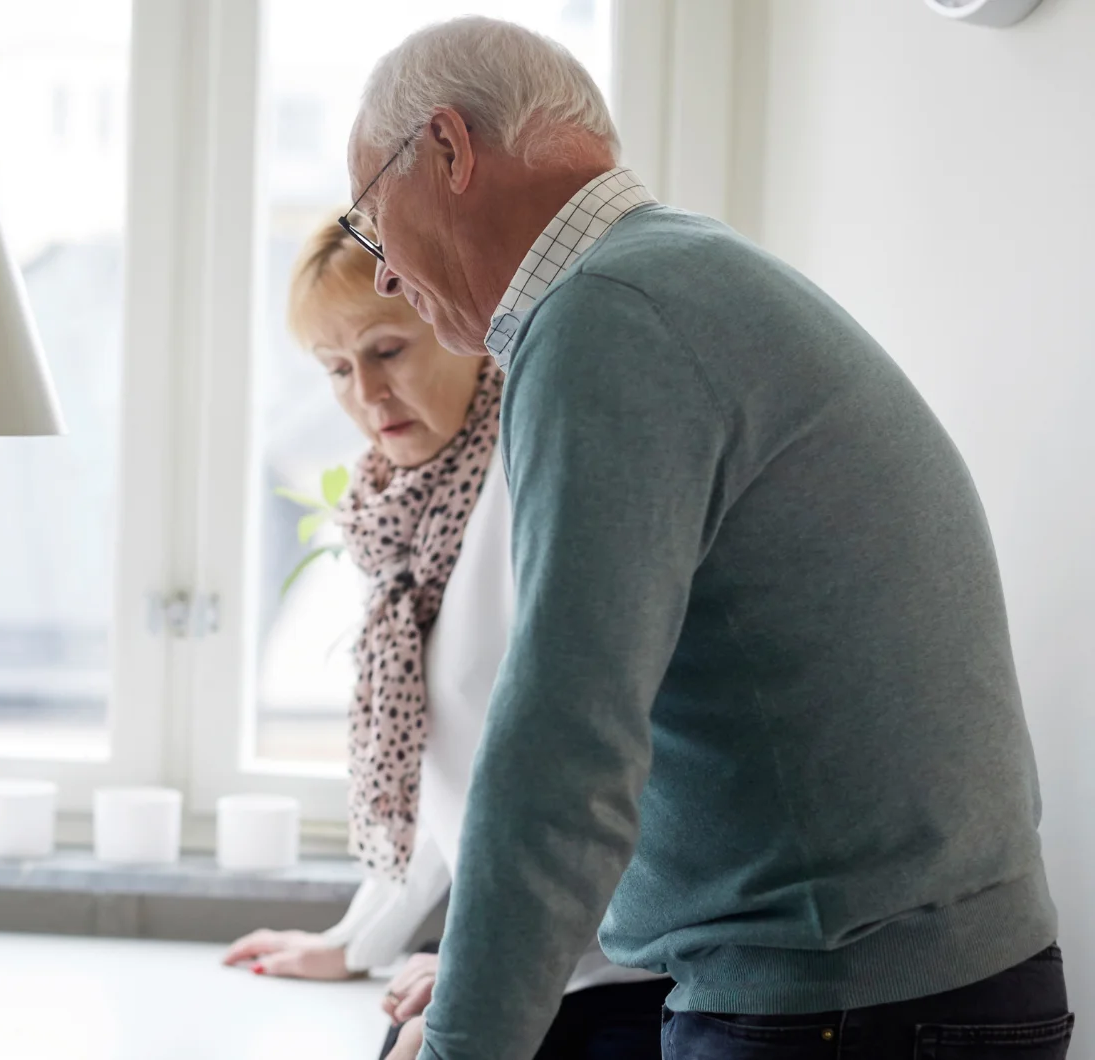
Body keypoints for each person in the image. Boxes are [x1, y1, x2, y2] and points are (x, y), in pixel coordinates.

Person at [340, 16, 1069, 1060]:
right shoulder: (677, 277)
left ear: (450, 150)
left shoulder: (606, 317)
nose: (380, 273)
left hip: (841, 1006)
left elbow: (565, 747)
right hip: (910, 987)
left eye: (371, 221)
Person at [222, 214, 668, 1060]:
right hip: (534, 958)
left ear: (464, 330)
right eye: (336, 369)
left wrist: (479, 979)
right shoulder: (415, 513)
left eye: (387, 351)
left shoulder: (534, 482)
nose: (365, 393)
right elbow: (450, 778)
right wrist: (358, 942)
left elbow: (574, 779)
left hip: (622, 976)